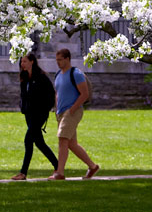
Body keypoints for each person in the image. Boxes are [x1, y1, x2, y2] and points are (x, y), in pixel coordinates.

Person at [50, 48, 100, 180]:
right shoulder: (58, 75)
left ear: (67, 59)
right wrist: (56, 109)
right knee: (71, 144)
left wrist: (72, 109)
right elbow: (58, 93)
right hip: (60, 112)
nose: (58, 63)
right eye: (57, 60)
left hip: (72, 111)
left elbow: (85, 94)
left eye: (60, 60)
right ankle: (92, 166)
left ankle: (59, 173)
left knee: (62, 139)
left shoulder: (76, 74)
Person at [11, 53, 58, 181]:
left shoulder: (41, 77)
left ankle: (23, 173)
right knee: (39, 143)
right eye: (21, 62)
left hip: (40, 114)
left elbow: (51, 94)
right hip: (29, 114)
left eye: (25, 61)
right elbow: (23, 95)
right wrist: (23, 107)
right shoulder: (24, 77)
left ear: (32, 62)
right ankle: (58, 167)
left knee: (28, 140)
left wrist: (45, 109)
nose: (22, 64)